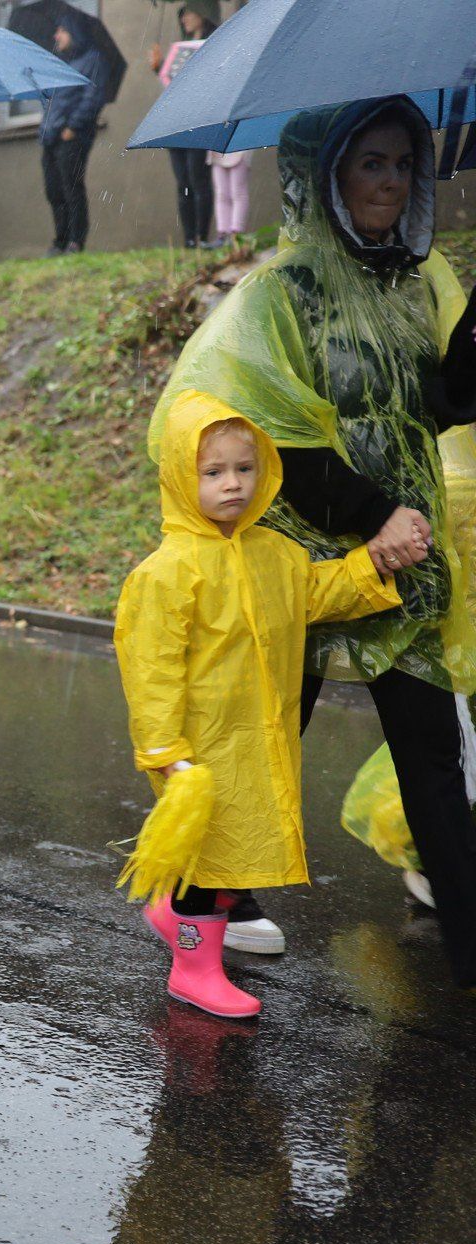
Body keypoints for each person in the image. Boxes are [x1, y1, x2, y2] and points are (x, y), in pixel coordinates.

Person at [152, 97, 476, 978]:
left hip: (399, 556)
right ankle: (197, 903)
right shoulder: (277, 294)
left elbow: (446, 403)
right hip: (301, 558)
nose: (391, 181)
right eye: (370, 163)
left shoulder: (413, 282)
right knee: (261, 742)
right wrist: (371, 517)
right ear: (326, 176)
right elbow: (262, 436)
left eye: (403, 165)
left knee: (431, 754)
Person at [117, 397, 400, 1017]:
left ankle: (176, 921)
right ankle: (194, 969)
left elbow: (315, 592)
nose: (233, 484)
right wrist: (166, 752)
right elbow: (151, 672)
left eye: (245, 468)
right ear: (179, 477)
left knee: (237, 849)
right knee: (208, 861)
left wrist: (370, 565)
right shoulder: (166, 574)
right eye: (213, 472)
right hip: (198, 749)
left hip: (257, 735)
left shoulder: (273, 553)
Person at [40, 20, 111, 255]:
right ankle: (60, 240)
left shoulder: (92, 60)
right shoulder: (60, 63)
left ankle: (75, 241)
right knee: (53, 190)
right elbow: (52, 101)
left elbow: (93, 97)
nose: (56, 35)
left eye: (61, 31)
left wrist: (72, 127)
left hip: (72, 136)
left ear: (74, 32)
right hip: (51, 137)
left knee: (71, 188)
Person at [149, 7, 218, 248]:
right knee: (183, 183)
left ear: (203, 12)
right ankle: (189, 239)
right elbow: (174, 84)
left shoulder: (216, 43)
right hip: (176, 123)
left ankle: (202, 236)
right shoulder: (179, 48)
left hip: (198, 122)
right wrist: (158, 68)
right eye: (182, 15)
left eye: (189, 12)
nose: (184, 18)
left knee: (199, 179)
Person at [209, 149, 252, 247]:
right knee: (221, 193)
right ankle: (222, 234)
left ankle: (236, 233)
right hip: (217, 151)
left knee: (238, 192)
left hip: (240, 150)